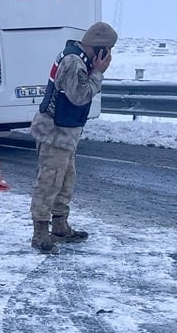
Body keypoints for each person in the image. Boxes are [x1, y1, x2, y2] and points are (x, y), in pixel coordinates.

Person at [29, 21, 117, 252]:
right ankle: (40, 232)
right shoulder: (74, 62)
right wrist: (98, 73)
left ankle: (59, 225)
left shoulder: (78, 59)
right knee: (49, 181)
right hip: (54, 132)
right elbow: (79, 96)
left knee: (65, 179)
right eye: (108, 50)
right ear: (100, 48)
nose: (109, 56)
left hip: (65, 132)